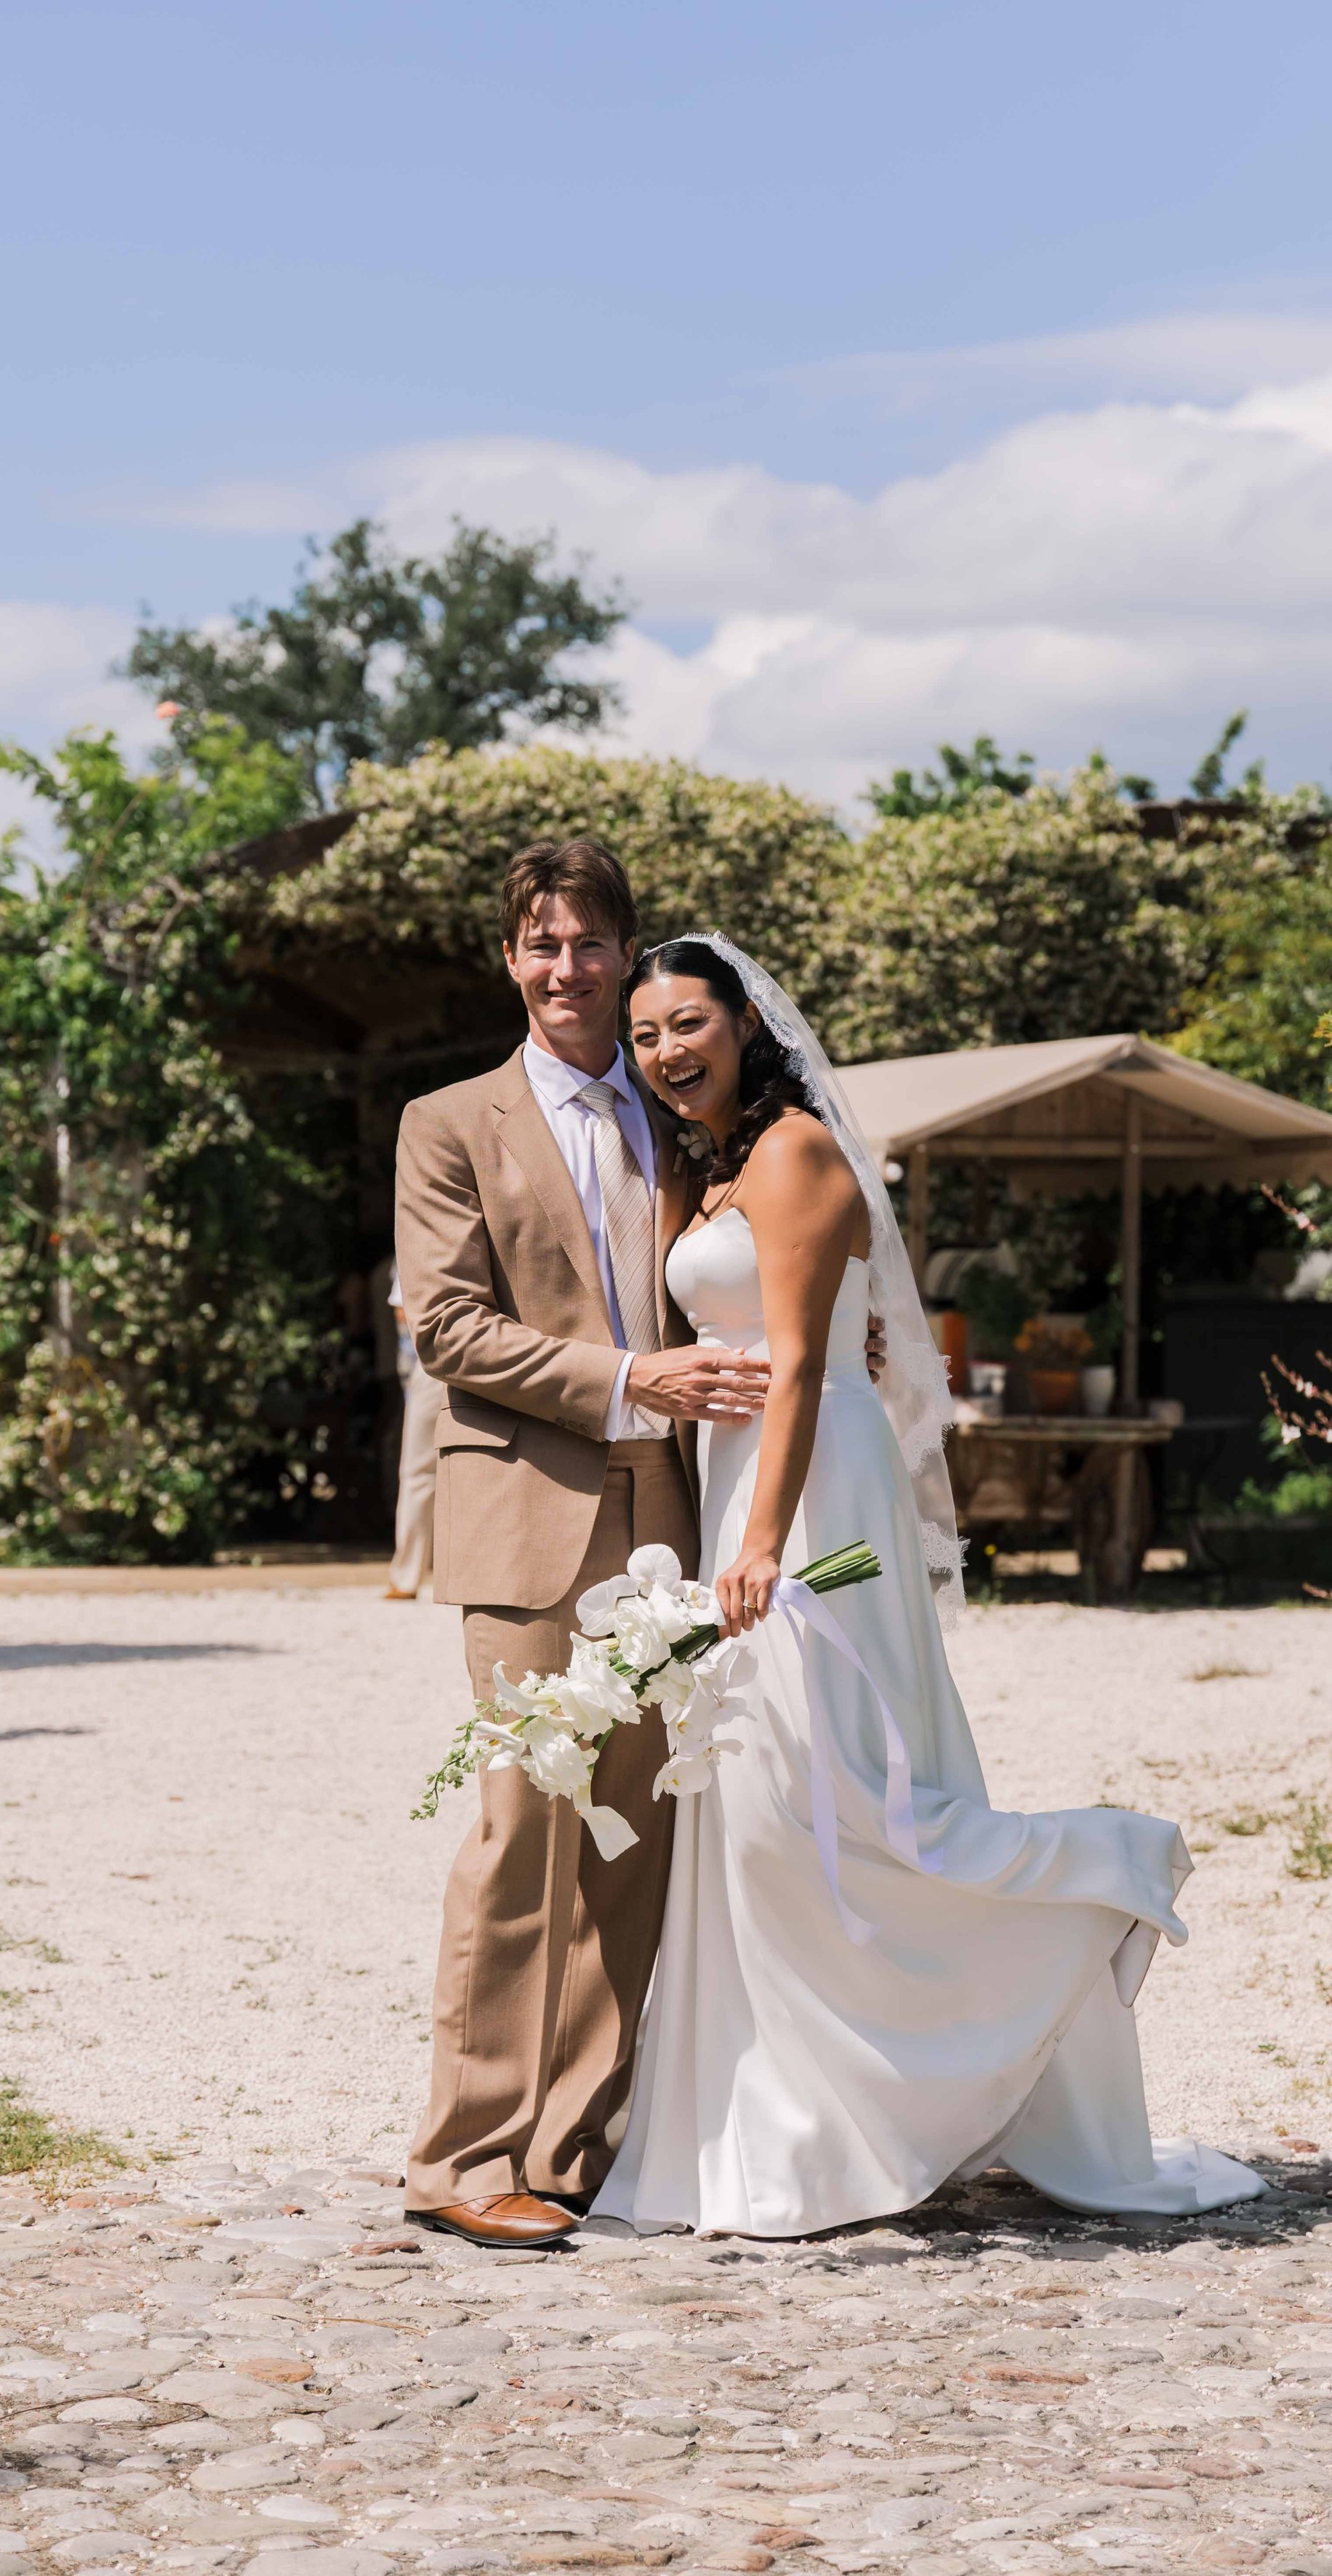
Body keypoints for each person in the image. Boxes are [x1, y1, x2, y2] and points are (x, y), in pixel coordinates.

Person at [592, 933, 1265, 2239]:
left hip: (818, 1505)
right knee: (756, 1799)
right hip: (749, 1482)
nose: (669, 1051)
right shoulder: (714, 1167)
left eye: (689, 1023)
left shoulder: (793, 1151)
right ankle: (782, 2122)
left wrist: (765, 1543)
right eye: (649, 1035)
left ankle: (1094, 1873)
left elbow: (797, 1370)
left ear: (744, 1022)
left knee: (821, 1788)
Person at [391, 840, 773, 2250]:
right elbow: (447, 1328)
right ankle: (466, 2153)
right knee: (517, 1833)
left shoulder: (683, 1114)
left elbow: (753, 1256)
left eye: (590, 944)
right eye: (540, 945)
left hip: (673, 1517)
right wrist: (633, 1382)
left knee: (635, 1836)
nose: (567, 969)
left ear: (626, 955)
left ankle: (577, 2145)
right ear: (510, 959)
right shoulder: (448, 1123)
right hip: (524, 1516)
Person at [385, 1265, 439, 1600]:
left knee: (419, 1473)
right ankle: (408, 1575)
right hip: (438, 1358)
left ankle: (409, 1575)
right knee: (420, 1471)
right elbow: (402, 1309)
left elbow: (402, 1311)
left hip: (442, 1358)